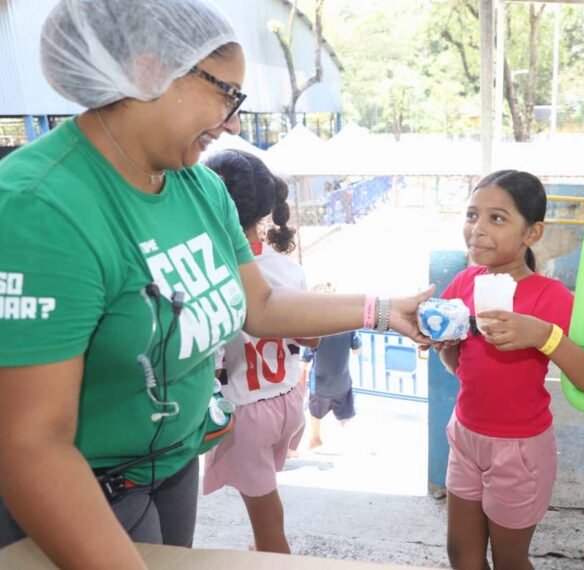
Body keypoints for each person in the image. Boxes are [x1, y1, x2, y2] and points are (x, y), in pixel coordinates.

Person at [0, 2, 431, 568]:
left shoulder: (199, 186)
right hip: (86, 486)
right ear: (151, 70)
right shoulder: (40, 209)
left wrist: (382, 310)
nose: (232, 122)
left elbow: (262, 304)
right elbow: (32, 444)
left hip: (173, 463)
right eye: (228, 94)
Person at [437, 170, 584, 570]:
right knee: (461, 554)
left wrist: (543, 336)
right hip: (465, 435)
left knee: (509, 560)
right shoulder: (464, 282)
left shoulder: (552, 298)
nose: (477, 228)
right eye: (472, 214)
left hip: (520, 450)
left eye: (497, 218)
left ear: (532, 233)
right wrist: (443, 345)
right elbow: (459, 366)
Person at [199, 150, 315, 554]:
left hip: (247, 412)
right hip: (287, 400)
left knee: (270, 528)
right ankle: (260, 552)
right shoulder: (287, 269)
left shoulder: (211, 271)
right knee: (265, 504)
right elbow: (311, 338)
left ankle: (270, 556)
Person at [300, 283, 363, 450]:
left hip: (320, 383)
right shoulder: (348, 324)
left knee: (315, 413)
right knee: (344, 415)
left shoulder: (314, 328)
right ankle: (345, 444)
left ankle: (315, 438)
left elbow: (305, 363)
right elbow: (357, 351)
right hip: (343, 381)